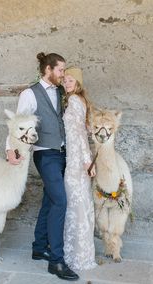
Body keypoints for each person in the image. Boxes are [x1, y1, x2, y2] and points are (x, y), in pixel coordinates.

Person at [6, 53, 79, 281]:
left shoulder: (60, 91)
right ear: (48, 69)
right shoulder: (30, 94)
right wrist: (10, 148)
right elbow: (18, 122)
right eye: (60, 70)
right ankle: (56, 261)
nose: (63, 74)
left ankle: (39, 247)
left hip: (62, 153)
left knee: (50, 199)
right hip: (44, 154)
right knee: (60, 201)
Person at [62, 67, 97, 271]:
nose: (66, 84)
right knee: (80, 204)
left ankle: (76, 255)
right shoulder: (79, 101)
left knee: (76, 205)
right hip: (75, 158)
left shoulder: (74, 101)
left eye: (70, 81)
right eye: (65, 80)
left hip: (76, 160)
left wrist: (85, 160)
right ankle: (80, 253)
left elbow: (80, 135)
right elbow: (86, 129)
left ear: (78, 83)